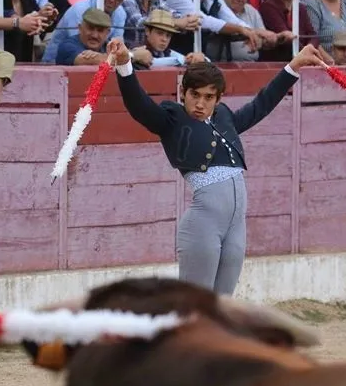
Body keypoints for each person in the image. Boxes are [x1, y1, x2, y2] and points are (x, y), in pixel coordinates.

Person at [111, 37, 332, 296]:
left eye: (208, 97)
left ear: (218, 99)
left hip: (236, 225)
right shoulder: (171, 120)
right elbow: (139, 105)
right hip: (203, 224)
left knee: (222, 304)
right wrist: (124, 65)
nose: (200, 104)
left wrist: (294, 65)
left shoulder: (224, 118)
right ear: (183, 92)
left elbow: (262, 104)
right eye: (194, 95)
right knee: (196, 305)